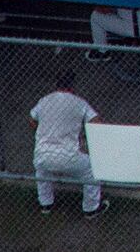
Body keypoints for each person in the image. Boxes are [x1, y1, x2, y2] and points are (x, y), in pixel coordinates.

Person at [29, 74, 103, 214]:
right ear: (72, 86)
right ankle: (91, 208)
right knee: (91, 171)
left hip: (43, 153)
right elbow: (96, 121)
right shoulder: (79, 102)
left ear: (56, 85)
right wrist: (83, 135)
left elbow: (32, 119)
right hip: (68, 156)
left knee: (42, 172)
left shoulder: (45, 100)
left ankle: (46, 204)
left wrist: (43, 132)